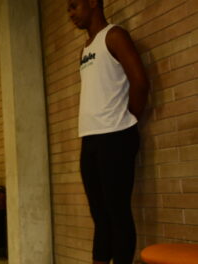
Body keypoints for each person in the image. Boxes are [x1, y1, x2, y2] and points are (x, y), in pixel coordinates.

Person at [67, 0, 149, 263]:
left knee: (117, 213)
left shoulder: (114, 35)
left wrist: (127, 120)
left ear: (92, 3)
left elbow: (140, 81)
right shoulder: (85, 49)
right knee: (100, 215)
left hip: (116, 136)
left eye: (73, 6)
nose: (70, 14)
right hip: (90, 138)